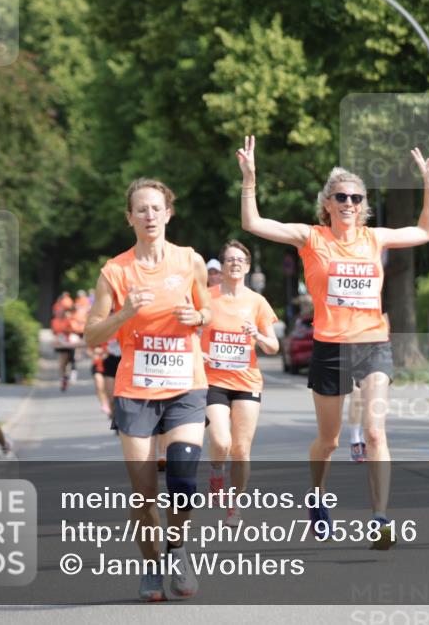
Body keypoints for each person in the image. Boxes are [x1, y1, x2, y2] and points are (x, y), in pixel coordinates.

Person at [239, 135, 429, 548]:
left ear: (363, 205)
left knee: (376, 432)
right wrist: (249, 181)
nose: (349, 203)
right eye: (341, 197)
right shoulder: (311, 238)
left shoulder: (374, 238)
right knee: (328, 440)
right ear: (327, 203)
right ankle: (317, 496)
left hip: (373, 345)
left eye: (356, 198)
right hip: (329, 347)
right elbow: (253, 225)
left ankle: (380, 518)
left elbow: (427, 230)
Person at [84, 177, 213, 602]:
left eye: (156, 208)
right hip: (136, 392)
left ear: (169, 213)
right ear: (130, 218)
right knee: (144, 495)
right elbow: (90, 335)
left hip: (185, 386)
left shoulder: (189, 261)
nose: (150, 215)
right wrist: (124, 313)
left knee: (183, 478)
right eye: (141, 209)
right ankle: (152, 566)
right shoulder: (115, 271)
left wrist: (198, 318)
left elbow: (206, 309)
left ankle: (176, 548)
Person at [201, 240, 279, 526]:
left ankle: (234, 505)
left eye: (240, 260)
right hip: (213, 380)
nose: (235, 263)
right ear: (221, 266)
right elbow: (187, 333)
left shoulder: (257, 302)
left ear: (247, 266)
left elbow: (273, 346)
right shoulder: (206, 297)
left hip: (246, 380)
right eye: (229, 259)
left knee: (242, 449)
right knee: (222, 441)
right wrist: (199, 351)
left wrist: (257, 334)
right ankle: (216, 469)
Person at [52, 307, 81, 391]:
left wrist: (67, 331)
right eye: (58, 312)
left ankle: (70, 374)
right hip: (61, 344)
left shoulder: (70, 320)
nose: (59, 314)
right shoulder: (54, 321)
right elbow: (54, 332)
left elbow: (75, 330)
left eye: (61, 312)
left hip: (70, 343)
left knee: (70, 360)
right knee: (62, 363)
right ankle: (64, 378)